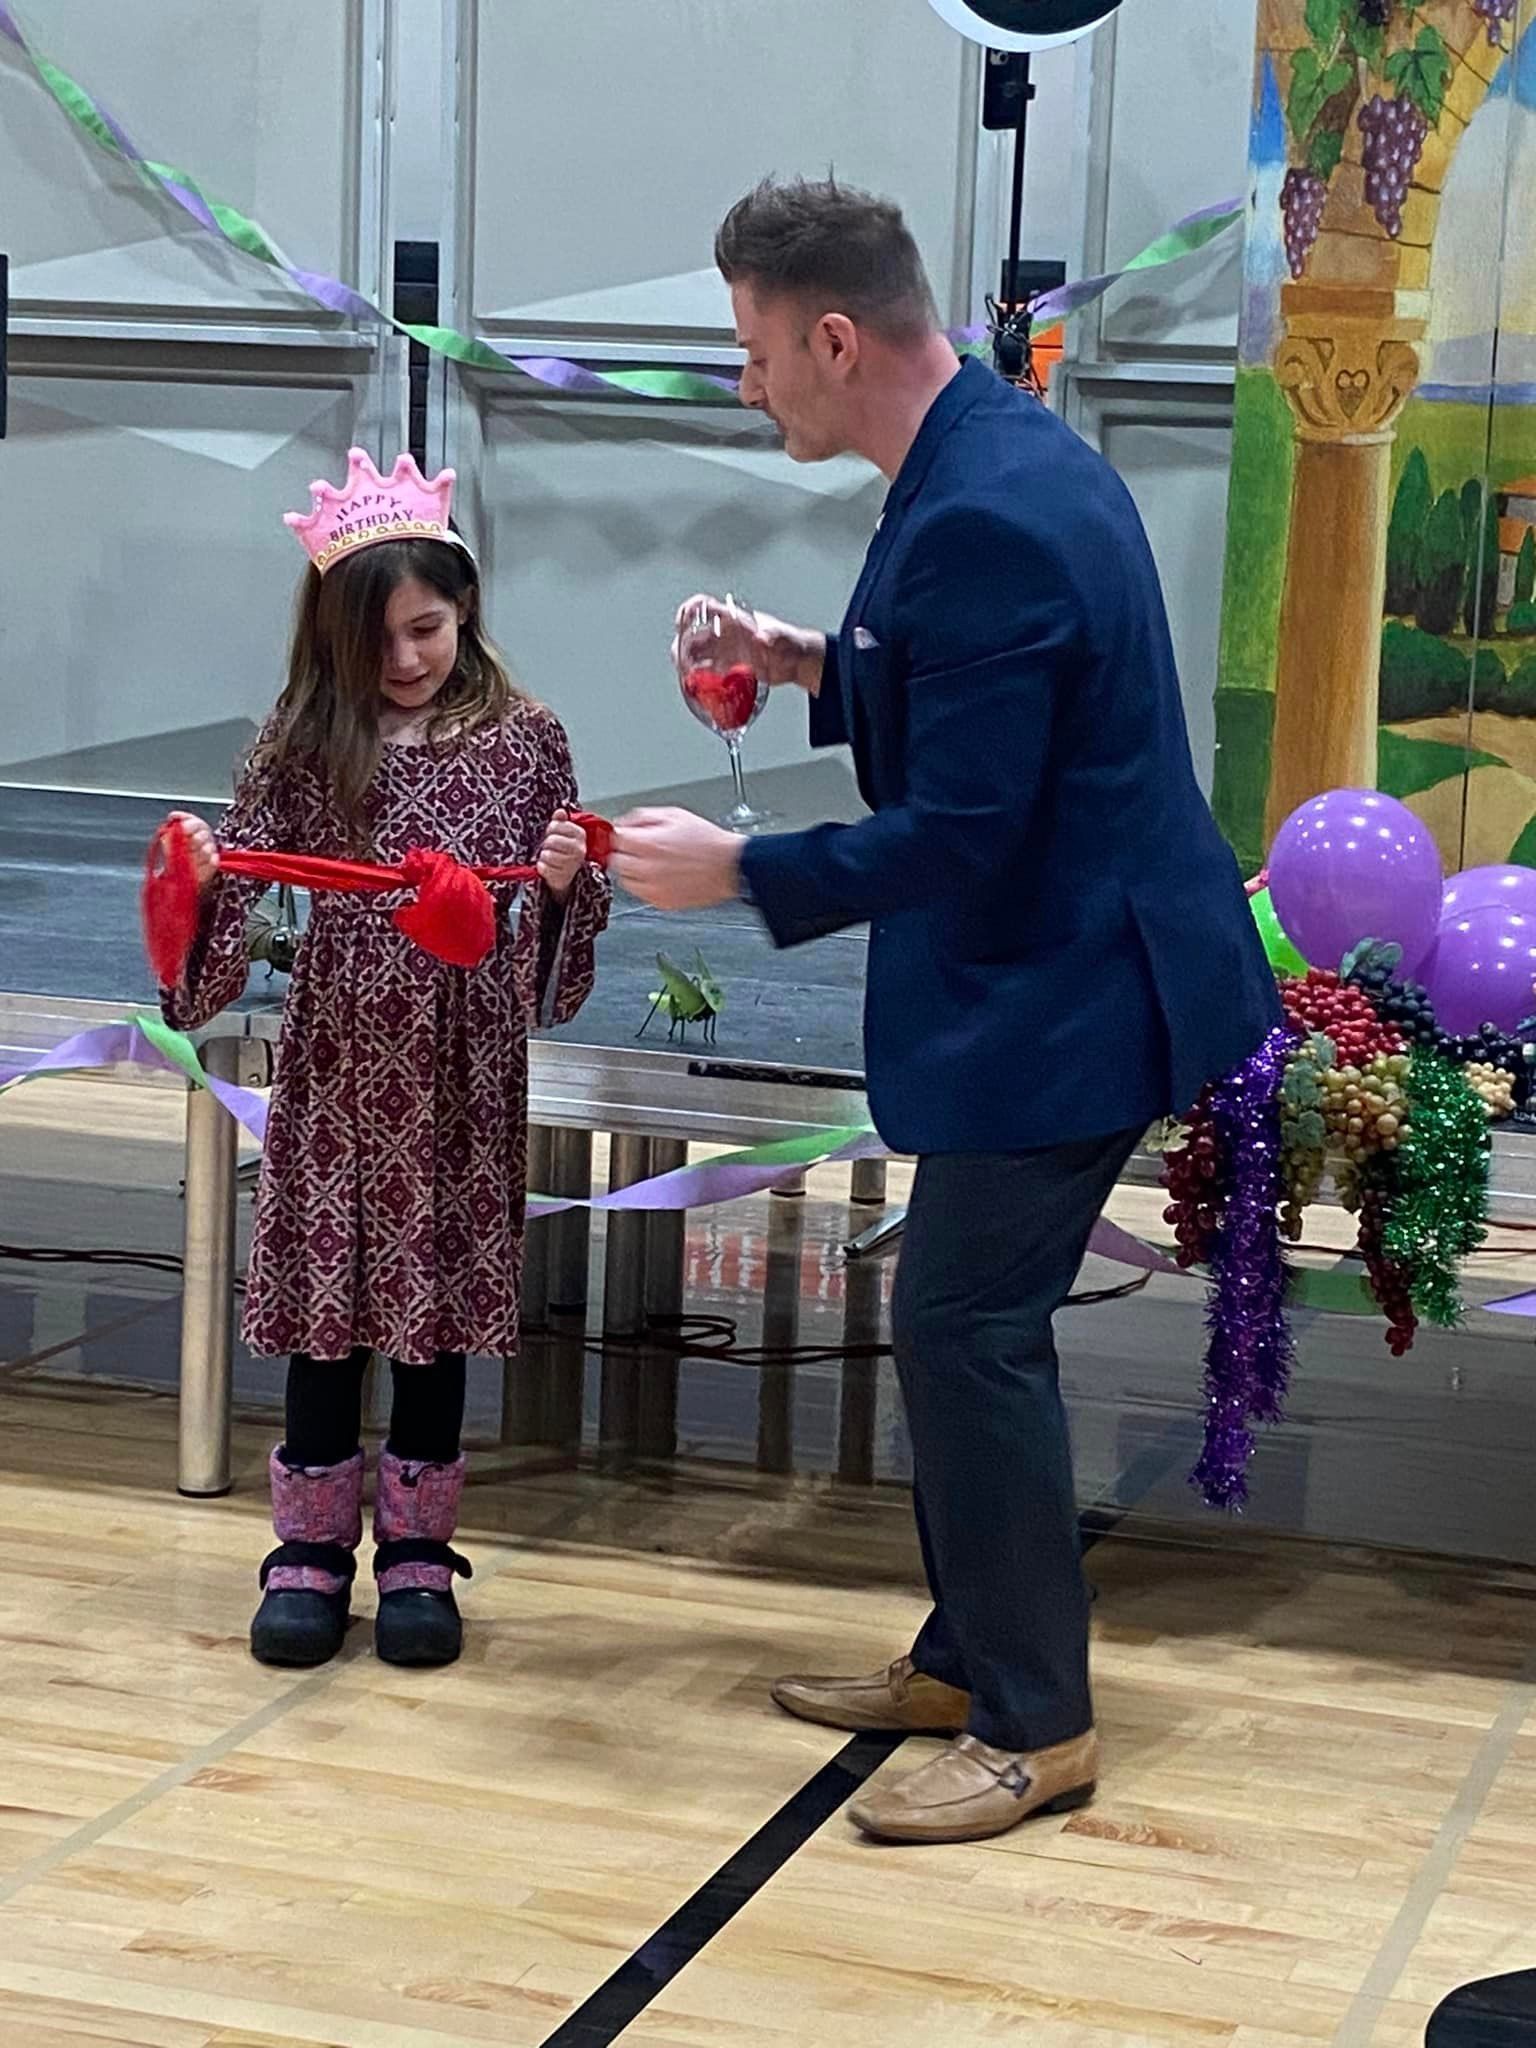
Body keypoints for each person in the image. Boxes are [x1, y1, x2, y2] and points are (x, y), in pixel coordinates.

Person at [613, 180, 1281, 1844]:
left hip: (1084, 987)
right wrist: (805, 661)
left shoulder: (983, 507)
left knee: (967, 1326)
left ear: (835, 339)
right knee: (959, 1319)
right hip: (1066, 961)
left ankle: (1036, 1727)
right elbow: (978, 683)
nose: (746, 383)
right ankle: (966, 1655)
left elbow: (968, 826)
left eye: (755, 349)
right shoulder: (985, 452)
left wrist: (739, 868)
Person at [163, 450, 609, 1672]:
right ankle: (308, 1549)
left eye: (426, 628)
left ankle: (417, 1550)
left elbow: (557, 950)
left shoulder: (524, 740)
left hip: (460, 1071)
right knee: (328, 1308)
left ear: (465, 608)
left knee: (433, 1309)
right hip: (338, 1064)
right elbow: (235, 905)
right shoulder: (303, 739)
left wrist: (559, 889)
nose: (405, 658)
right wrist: (199, 886)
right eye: (376, 639)